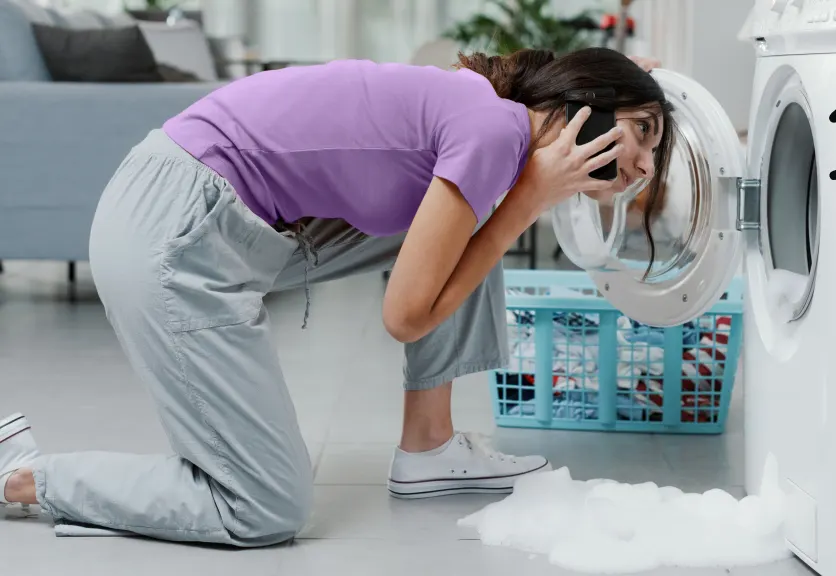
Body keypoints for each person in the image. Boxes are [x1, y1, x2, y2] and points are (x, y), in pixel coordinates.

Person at [0, 47, 675, 547]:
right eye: (642, 133)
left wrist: (521, 198)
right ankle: (29, 475)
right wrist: (526, 201)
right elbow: (405, 317)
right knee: (265, 509)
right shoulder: (495, 130)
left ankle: (429, 449)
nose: (644, 167)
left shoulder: (482, 114)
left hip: (197, 209)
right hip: (174, 231)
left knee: (476, 230)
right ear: (589, 104)